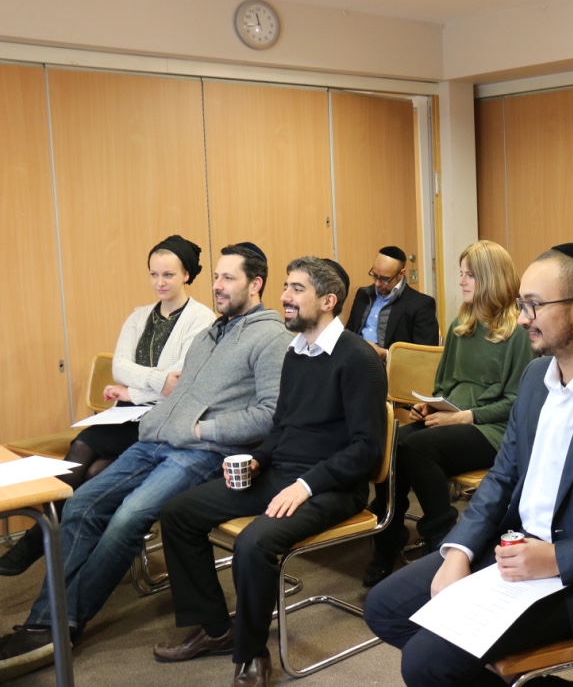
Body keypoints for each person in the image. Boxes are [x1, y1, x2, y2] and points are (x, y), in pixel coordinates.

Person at [365, 242, 573, 686]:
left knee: (427, 662)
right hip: (515, 550)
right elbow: (502, 475)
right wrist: (459, 551)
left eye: (534, 306)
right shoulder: (536, 377)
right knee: (384, 608)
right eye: (522, 305)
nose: (522, 319)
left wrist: (559, 558)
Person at [0, 243, 292, 682]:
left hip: (201, 453)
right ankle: (45, 621)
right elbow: (177, 390)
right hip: (154, 440)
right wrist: (158, 420)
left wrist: (201, 430)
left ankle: (57, 627)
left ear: (256, 284)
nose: (217, 285)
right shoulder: (211, 333)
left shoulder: (271, 337)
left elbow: (270, 414)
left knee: (127, 519)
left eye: (228, 278)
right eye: (216, 276)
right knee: (80, 504)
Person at [152, 257, 387, 687]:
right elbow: (280, 427)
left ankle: (251, 654)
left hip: (332, 487)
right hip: (282, 475)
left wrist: (306, 485)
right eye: (286, 287)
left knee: (253, 544)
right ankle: (216, 629)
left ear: (328, 301)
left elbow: (366, 449)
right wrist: (258, 459)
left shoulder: (358, 359)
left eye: (297, 289)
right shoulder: (295, 353)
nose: (284, 297)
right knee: (178, 513)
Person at [0, 235, 215, 577]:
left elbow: (180, 383)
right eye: (154, 274)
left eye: (168, 275)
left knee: (95, 468)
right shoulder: (139, 316)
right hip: (126, 413)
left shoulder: (202, 320)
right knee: (84, 449)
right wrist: (149, 383)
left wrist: (132, 391)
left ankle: (43, 543)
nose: (159, 282)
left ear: (186, 275)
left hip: (161, 418)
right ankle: (51, 543)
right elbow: (121, 367)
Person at [362, 240, 533, 587]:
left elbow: (518, 402)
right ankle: (389, 535)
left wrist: (463, 417)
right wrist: (431, 404)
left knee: (416, 448)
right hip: (453, 420)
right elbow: (444, 385)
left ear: (490, 278)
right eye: (461, 274)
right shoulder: (461, 325)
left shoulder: (517, 332)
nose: (461, 281)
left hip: (493, 429)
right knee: (394, 445)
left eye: (469, 275)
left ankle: (442, 536)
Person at [344, 245, 439, 361]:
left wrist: (386, 354)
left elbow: (426, 356)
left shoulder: (420, 304)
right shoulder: (363, 294)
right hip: (355, 361)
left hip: (389, 366)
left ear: (401, 273)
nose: (377, 283)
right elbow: (350, 332)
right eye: (374, 275)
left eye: (384, 279)